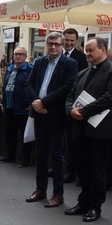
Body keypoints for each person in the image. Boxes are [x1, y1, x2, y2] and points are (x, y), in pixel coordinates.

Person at [64, 37, 112, 222]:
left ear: (103, 50)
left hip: (101, 130)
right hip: (81, 128)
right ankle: (83, 202)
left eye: (91, 50)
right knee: (82, 169)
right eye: (86, 51)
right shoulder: (82, 72)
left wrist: (83, 112)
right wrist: (71, 111)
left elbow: (110, 97)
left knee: (98, 170)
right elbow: (70, 96)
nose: (88, 54)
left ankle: (95, 206)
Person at [24, 32, 78, 208]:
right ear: (46, 45)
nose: (53, 47)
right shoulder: (39, 62)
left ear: (62, 45)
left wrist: (44, 102)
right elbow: (29, 84)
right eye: (50, 44)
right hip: (39, 113)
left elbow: (67, 88)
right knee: (40, 153)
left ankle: (58, 194)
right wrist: (36, 103)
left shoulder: (70, 64)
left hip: (55, 115)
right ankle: (40, 189)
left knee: (56, 155)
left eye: (56, 44)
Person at [0, 46, 33, 167]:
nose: (18, 56)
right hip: (9, 106)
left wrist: (31, 103)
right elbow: (5, 86)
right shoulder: (10, 69)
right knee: (9, 133)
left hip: (23, 107)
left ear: (25, 56)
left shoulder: (29, 69)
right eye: (16, 54)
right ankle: (10, 155)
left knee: (24, 135)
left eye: (20, 54)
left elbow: (34, 87)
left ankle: (25, 159)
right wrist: (3, 102)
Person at [62, 28, 87, 184]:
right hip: (59, 103)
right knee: (60, 139)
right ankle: (59, 167)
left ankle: (71, 172)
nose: (69, 43)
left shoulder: (81, 58)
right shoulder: (57, 54)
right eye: (67, 40)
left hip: (72, 103)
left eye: (72, 40)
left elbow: (80, 82)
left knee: (71, 141)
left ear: (76, 41)